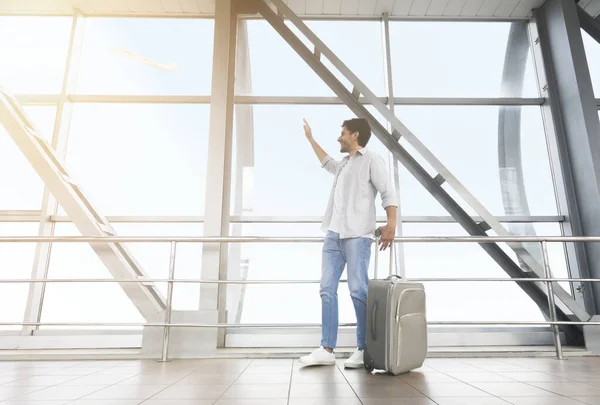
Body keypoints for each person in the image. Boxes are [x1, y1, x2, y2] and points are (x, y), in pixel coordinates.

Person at [299, 117, 398, 369]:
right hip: (333, 234)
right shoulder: (343, 164)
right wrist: (310, 139)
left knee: (358, 291)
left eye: (342, 133)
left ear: (355, 135)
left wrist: (391, 224)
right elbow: (326, 162)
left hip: (357, 235)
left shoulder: (372, 160)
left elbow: (387, 191)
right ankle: (326, 348)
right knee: (326, 290)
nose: (338, 138)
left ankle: (364, 349)